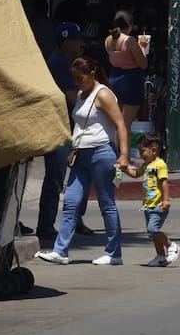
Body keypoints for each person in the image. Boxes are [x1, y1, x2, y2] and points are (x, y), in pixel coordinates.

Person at [34, 56, 130, 266]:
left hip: (102, 153)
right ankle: (61, 251)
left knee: (107, 204)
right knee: (71, 202)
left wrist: (123, 155)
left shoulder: (103, 94)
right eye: (75, 78)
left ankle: (114, 253)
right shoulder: (81, 94)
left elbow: (121, 125)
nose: (77, 82)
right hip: (80, 155)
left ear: (92, 74)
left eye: (80, 78)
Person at [35, 22, 96, 242]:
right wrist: (96, 99)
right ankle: (46, 226)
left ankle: (74, 220)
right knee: (56, 179)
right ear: (65, 41)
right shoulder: (60, 63)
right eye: (77, 39)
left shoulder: (66, 61)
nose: (81, 43)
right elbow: (72, 96)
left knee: (79, 176)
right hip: (60, 130)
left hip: (70, 128)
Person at [123, 131, 180, 267]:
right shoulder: (146, 165)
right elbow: (136, 174)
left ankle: (171, 245)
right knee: (153, 234)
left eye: (143, 151)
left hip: (159, 204)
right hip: (148, 205)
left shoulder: (160, 165)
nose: (140, 155)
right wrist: (124, 169)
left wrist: (166, 200)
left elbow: (164, 182)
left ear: (153, 150)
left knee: (153, 229)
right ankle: (160, 256)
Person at [105, 10, 149, 125]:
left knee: (117, 122)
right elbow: (143, 64)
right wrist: (143, 47)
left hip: (115, 78)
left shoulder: (108, 40)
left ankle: (117, 142)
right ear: (129, 25)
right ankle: (124, 143)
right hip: (131, 81)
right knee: (126, 123)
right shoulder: (129, 41)